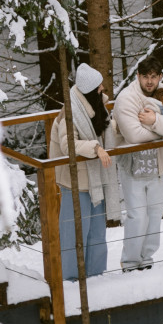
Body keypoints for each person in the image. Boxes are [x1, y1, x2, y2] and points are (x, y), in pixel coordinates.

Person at [112, 52, 163, 272]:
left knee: (154, 213)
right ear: (138, 76)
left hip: (157, 164)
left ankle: (147, 258)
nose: (150, 81)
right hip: (132, 165)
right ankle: (130, 262)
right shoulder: (127, 98)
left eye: (154, 76)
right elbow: (133, 135)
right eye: (145, 76)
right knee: (137, 214)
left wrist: (154, 121)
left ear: (161, 76)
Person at [50, 62, 115, 279]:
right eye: (99, 87)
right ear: (89, 90)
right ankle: (70, 280)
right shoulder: (69, 113)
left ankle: (96, 276)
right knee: (74, 234)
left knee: (97, 232)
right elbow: (69, 145)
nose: (102, 89)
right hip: (75, 181)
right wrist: (96, 148)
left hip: (96, 179)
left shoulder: (97, 108)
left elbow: (106, 131)